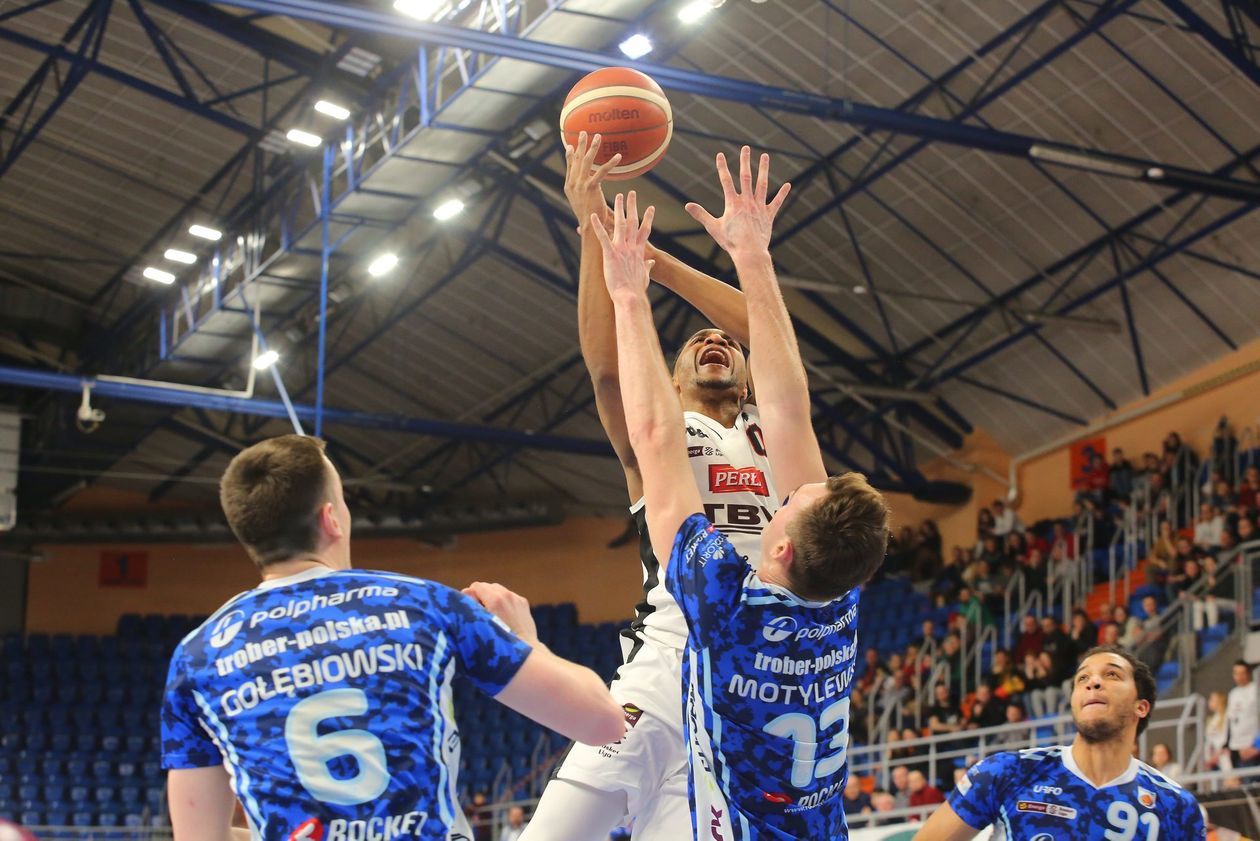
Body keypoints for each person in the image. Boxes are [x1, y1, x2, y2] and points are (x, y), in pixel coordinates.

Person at [590, 150, 889, 838]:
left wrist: (631, 294)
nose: (789, 492)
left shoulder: (723, 594)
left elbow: (652, 434)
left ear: (780, 537)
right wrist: (751, 257)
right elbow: (790, 407)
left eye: (790, 499)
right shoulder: (828, 597)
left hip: (682, 669)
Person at [160, 436, 624, 840]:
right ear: (331, 519)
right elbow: (604, 723)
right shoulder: (423, 605)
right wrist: (528, 641)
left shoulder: (197, 657)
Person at [527, 132, 787, 841]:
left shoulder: (778, 429)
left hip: (755, 686)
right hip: (664, 668)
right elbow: (610, 371)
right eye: (696, 343)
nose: (716, 341)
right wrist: (597, 237)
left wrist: (657, 262)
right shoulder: (662, 437)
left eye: (726, 344)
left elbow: (769, 332)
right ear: (668, 381)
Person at [913, 645, 1205, 840]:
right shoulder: (1008, 772)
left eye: (1112, 675)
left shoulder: (1176, 806)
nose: (1093, 682)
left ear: (1141, 707)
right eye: (1083, 679)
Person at [1226, 660, 1259, 769]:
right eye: (1236, 673)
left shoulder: (1255, 689)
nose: (1239, 677)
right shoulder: (1233, 693)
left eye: (1242, 673)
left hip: (1251, 744)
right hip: (1235, 745)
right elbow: (1231, 720)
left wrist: (1256, 745)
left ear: (1248, 673)